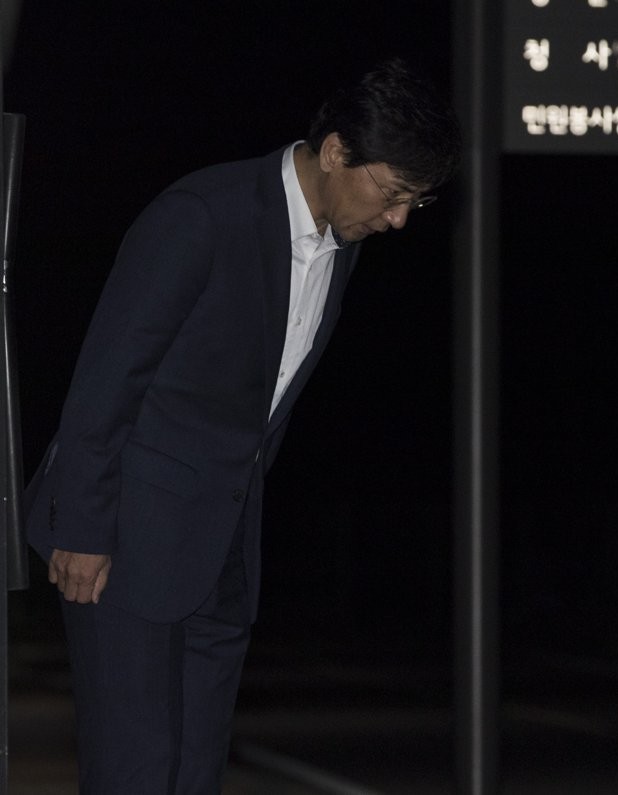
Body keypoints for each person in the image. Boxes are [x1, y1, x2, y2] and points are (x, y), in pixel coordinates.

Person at [23, 58, 461, 794]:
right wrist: (84, 528)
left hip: (222, 557)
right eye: (392, 195)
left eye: (415, 202)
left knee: (195, 774)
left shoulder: (341, 250)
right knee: (134, 773)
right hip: (124, 543)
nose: (398, 220)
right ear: (335, 152)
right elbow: (107, 378)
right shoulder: (202, 215)